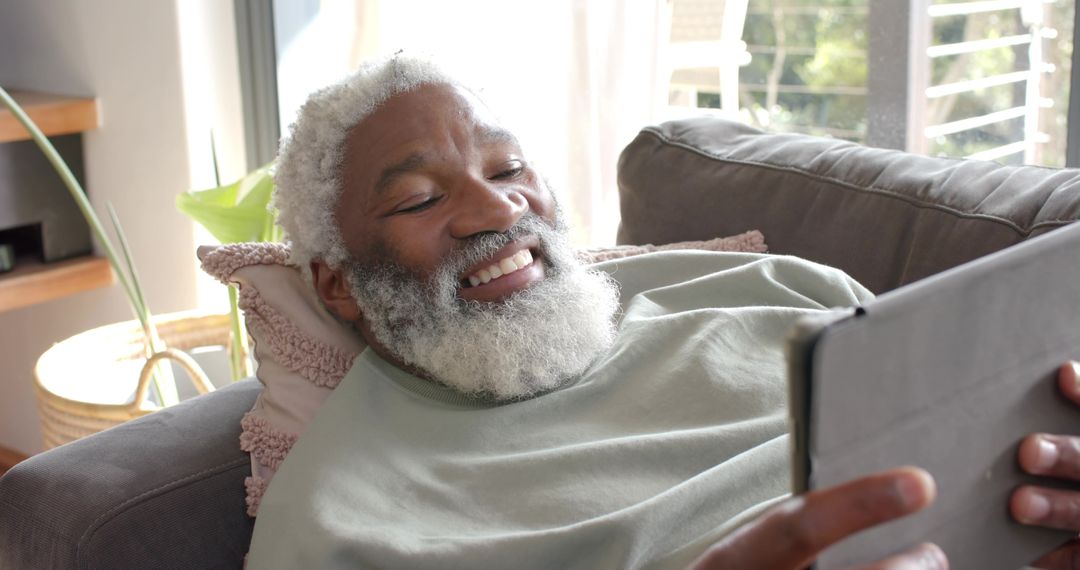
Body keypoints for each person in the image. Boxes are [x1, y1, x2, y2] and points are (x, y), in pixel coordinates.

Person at [246, 54, 1080, 569]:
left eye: (507, 169)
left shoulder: (776, 285)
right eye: (422, 197)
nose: (499, 212)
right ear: (338, 285)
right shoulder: (338, 527)